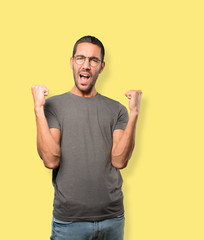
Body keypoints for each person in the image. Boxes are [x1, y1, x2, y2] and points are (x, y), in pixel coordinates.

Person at [31, 35, 142, 240]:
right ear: (72, 62)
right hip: (69, 223)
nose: (86, 65)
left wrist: (134, 113)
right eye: (81, 58)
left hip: (112, 219)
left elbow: (119, 160)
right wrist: (38, 109)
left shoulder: (117, 109)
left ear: (101, 67)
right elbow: (50, 159)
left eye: (94, 60)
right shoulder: (53, 106)